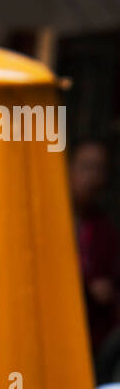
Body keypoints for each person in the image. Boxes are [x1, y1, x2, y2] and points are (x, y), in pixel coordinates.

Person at [70, 139, 120, 358]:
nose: (91, 178)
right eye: (86, 166)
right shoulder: (47, 221)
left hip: (91, 338)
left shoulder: (105, 230)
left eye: (99, 169)